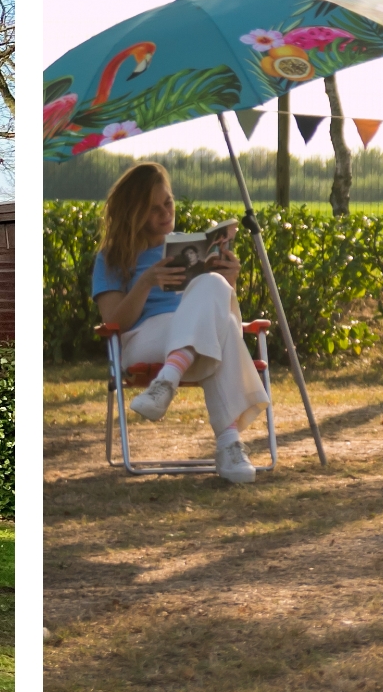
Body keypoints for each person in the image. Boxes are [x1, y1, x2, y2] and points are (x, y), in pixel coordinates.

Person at [90, 161, 269, 482]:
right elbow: (113, 323)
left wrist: (230, 281)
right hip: (143, 341)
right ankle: (229, 443)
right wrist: (145, 282)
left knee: (214, 287)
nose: (164, 213)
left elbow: (221, 307)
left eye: (168, 202)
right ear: (132, 212)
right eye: (152, 208)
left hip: (192, 342)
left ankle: (166, 383)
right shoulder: (113, 257)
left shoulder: (187, 248)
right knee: (223, 331)